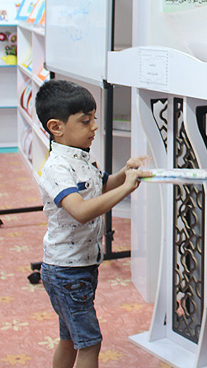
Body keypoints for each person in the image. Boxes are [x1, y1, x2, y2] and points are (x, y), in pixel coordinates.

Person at [34, 79, 148, 368]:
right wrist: (128, 188)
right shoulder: (57, 168)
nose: (95, 127)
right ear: (56, 127)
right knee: (90, 343)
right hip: (66, 271)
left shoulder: (82, 157)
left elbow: (101, 186)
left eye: (94, 118)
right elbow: (81, 211)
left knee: (70, 339)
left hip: (80, 267)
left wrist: (125, 173)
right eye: (86, 121)